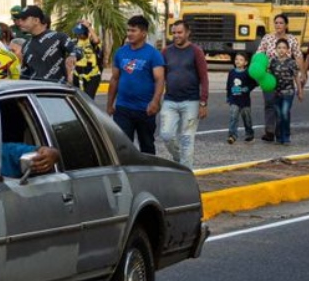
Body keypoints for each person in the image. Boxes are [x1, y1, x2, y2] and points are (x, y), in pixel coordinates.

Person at [106, 15, 165, 155]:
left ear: (143, 33)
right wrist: (110, 104)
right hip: (123, 108)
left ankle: (149, 173)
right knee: (123, 146)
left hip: (145, 109)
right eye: (128, 30)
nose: (129, 34)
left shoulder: (153, 54)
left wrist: (155, 101)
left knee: (147, 146)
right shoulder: (121, 52)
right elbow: (114, 79)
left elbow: (160, 80)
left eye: (133, 31)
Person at [156, 19, 208, 168]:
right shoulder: (166, 51)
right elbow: (160, 76)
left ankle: (187, 171)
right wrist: (156, 98)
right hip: (170, 101)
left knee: (187, 138)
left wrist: (203, 102)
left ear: (187, 33)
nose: (176, 35)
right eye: (174, 33)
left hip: (191, 101)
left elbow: (204, 77)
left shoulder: (196, 51)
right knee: (166, 135)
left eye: (179, 32)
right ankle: (179, 159)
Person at [255, 15, 304, 143]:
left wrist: (302, 73)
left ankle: (281, 133)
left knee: (283, 109)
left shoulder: (292, 39)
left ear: (286, 25)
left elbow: (298, 56)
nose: (278, 25)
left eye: (281, 23)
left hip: (286, 79)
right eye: (276, 22)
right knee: (270, 104)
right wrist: (259, 70)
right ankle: (270, 131)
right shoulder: (267, 38)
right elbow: (259, 54)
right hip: (269, 76)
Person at [16, 6, 76, 85]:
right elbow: (24, 74)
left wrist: (72, 56)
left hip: (58, 92)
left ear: (36, 20)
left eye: (24, 19)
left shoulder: (59, 37)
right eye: (19, 20)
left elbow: (77, 50)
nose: (20, 23)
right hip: (35, 94)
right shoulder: (26, 45)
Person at [268, 39, 300, 145]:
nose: (281, 50)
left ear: (287, 50)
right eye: (279, 48)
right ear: (275, 49)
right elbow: (268, 76)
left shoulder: (291, 62)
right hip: (276, 93)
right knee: (279, 115)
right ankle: (279, 136)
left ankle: (286, 136)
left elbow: (296, 77)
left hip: (288, 92)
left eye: (284, 48)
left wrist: (300, 90)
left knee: (285, 113)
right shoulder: (273, 62)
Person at [224, 53, 257, 145]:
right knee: (233, 117)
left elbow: (254, 83)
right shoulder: (231, 72)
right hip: (234, 100)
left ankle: (249, 134)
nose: (238, 61)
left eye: (241, 60)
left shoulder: (248, 73)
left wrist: (248, 88)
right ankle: (232, 135)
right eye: (236, 59)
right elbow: (228, 85)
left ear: (246, 62)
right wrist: (228, 96)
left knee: (247, 118)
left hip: (245, 101)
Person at [71, 23, 103, 99]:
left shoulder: (92, 42)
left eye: (80, 33)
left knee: (88, 99)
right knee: (77, 99)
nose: (78, 35)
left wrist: (89, 27)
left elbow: (96, 40)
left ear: (86, 33)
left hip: (92, 75)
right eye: (77, 33)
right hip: (77, 74)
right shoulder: (75, 42)